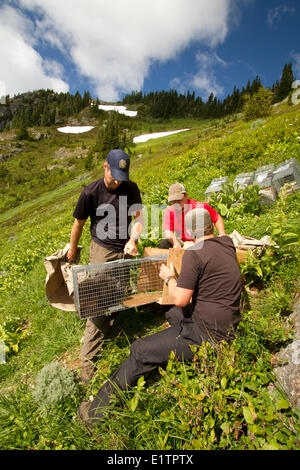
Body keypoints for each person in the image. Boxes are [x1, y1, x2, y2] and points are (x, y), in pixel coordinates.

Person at [78, 207, 242, 429]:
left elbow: (182, 299)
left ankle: (95, 415)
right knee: (169, 311)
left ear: (191, 234)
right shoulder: (227, 243)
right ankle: (165, 327)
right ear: (210, 227)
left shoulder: (195, 254)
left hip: (207, 335)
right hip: (230, 324)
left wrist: (170, 278)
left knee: (140, 349)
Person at [67, 149, 143, 382]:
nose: (118, 180)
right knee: (96, 305)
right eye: (114, 174)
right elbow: (78, 224)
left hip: (125, 248)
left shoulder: (130, 188)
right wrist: (72, 249)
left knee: (120, 291)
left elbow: (138, 217)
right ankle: (88, 368)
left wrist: (133, 240)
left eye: (122, 175)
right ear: (105, 167)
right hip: (102, 249)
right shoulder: (90, 192)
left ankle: (112, 326)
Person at [159, 182, 226, 249]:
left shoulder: (199, 207)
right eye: (173, 201)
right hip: (183, 241)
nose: (176, 204)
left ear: (186, 196)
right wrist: (175, 242)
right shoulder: (170, 211)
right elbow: (168, 232)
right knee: (164, 243)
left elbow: (216, 217)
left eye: (179, 200)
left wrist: (222, 233)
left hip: (201, 239)